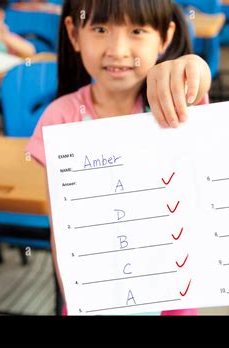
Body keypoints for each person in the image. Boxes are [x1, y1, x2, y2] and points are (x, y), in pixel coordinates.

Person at [26, 0, 212, 315]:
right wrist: (77, 297)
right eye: (100, 29)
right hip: (94, 300)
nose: (118, 49)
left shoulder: (172, 106)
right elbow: (61, 227)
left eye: (137, 30)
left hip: (173, 296)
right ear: (74, 33)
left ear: (165, 37)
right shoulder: (60, 118)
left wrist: (194, 67)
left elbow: (197, 85)